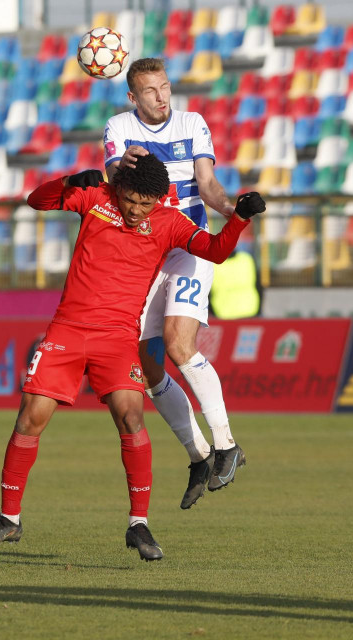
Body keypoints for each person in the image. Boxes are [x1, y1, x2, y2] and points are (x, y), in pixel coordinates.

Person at [0, 154, 266, 561]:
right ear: (119, 188)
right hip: (67, 331)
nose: (136, 210)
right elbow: (36, 201)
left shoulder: (170, 221)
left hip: (118, 337)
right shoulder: (95, 196)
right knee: (29, 418)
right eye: (130, 200)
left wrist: (240, 219)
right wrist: (70, 180)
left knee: (131, 419)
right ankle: (8, 518)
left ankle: (138, 525)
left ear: (159, 200)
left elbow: (214, 251)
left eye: (146, 204)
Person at [104, 57, 245, 510]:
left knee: (178, 344)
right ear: (133, 97)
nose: (162, 96)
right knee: (147, 365)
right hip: (144, 250)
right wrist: (119, 168)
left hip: (187, 245)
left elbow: (207, 184)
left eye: (165, 87)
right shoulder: (119, 127)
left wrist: (233, 210)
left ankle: (226, 445)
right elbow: (113, 177)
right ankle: (199, 455)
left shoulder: (192, 123)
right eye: (150, 91)